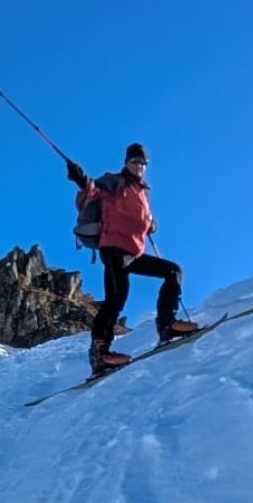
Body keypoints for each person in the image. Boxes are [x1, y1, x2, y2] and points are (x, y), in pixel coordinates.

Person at [67, 143, 199, 374]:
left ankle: (167, 324)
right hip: (114, 248)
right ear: (127, 162)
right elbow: (93, 190)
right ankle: (100, 353)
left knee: (173, 271)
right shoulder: (115, 181)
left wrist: (150, 224)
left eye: (143, 163)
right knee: (116, 299)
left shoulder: (141, 191)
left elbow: (138, 218)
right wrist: (81, 178)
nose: (140, 166)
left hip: (133, 252)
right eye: (135, 161)